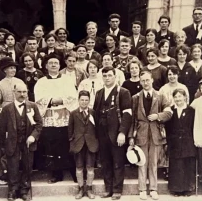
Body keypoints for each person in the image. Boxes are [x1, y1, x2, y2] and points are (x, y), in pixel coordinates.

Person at [34, 53, 78, 183]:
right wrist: (51, 101)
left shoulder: (67, 80)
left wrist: (61, 100)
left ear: (60, 65)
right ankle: (56, 173)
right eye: (51, 63)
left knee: (66, 143)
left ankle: (73, 171)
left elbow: (73, 97)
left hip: (64, 115)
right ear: (46, 66)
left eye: (56, 63)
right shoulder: (41, 82)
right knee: (52, 145)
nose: (54, 65)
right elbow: (38, 99)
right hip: (49, 117)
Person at [129, 71, 172, 200]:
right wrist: (131, 136)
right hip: (141, 133)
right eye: (143, 81)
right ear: (140, 82)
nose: (145, 83)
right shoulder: (136, 97)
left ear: (152, 80)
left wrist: (158, 116)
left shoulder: (160, 96)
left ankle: (153, 189)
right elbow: (132, 120)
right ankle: (142, 189)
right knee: (142, 162)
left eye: (147, 80)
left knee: (153, 163)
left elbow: (169, 112)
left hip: (156, 133)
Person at [93, 66, 133, 200]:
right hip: (102, 133)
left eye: (110, 75)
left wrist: (122, 132)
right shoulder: (99, 93)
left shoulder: (123, 92)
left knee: (117, 162)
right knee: (106, 162)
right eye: (104, 76)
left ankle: (117, 190)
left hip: (116, 134)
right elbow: (96, 113)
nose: (107, 78)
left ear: (115, 77)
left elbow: (127, 114)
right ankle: (108, 188)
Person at [0, 82, 43, 201]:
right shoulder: (7, 109)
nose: (22, 94)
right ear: (14, 93)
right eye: (19, 92)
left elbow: (39, 124)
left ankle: (24, 190)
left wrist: (33, 136)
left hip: (28, 142)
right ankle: (13, 190)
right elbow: (2, 129)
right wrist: (3, 146)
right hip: (13, 142)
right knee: (13, 166)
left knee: (27, 166)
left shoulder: (32, 106)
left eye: (24, 92)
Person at [165, 88, 196, 196]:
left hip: (188, 140)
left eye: (180, 96)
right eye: (176, 97)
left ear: (185, 97)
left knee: (187, 164)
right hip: (174, 141)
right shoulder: (170, 111)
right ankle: (176, 189)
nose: (178, 99)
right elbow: (167, 127)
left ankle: (188, 188)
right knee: (176, 165)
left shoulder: (191, 110)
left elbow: (193, 126)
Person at [68, 90, 99, 199]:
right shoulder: (73, 113)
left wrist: (96, 141)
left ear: (89, 101)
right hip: (78, 144)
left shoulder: (94, 113)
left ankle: (89, 189)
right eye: (82, 100)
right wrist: (72, 143)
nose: (84, 102)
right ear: (78, 100)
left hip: (91, 144)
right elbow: (70, 131)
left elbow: (97, 129)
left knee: (90, 167)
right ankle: (81, 188)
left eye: (86, 100)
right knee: (79, 167)